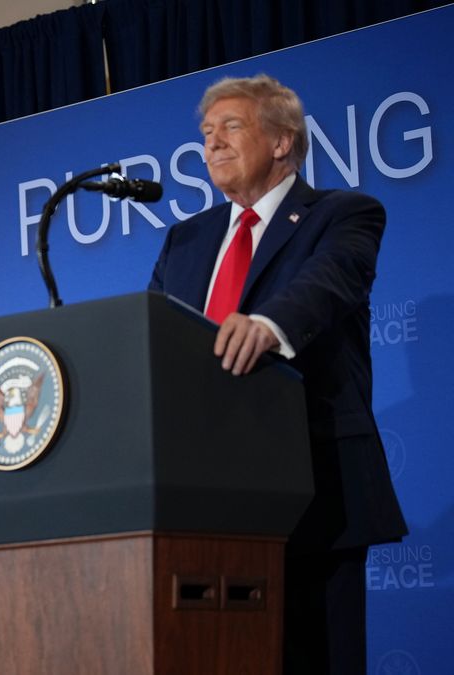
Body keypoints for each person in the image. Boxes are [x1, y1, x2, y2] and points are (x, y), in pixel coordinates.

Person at [149, 74, 407, 674]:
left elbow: (327, 285)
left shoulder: (342, 214)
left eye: (231, 127)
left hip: (310, 487)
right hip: (199, 498)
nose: (212, 144)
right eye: (206, 133)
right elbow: (156, 334)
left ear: (283, 141)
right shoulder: (186, 241)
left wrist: (267, 325)